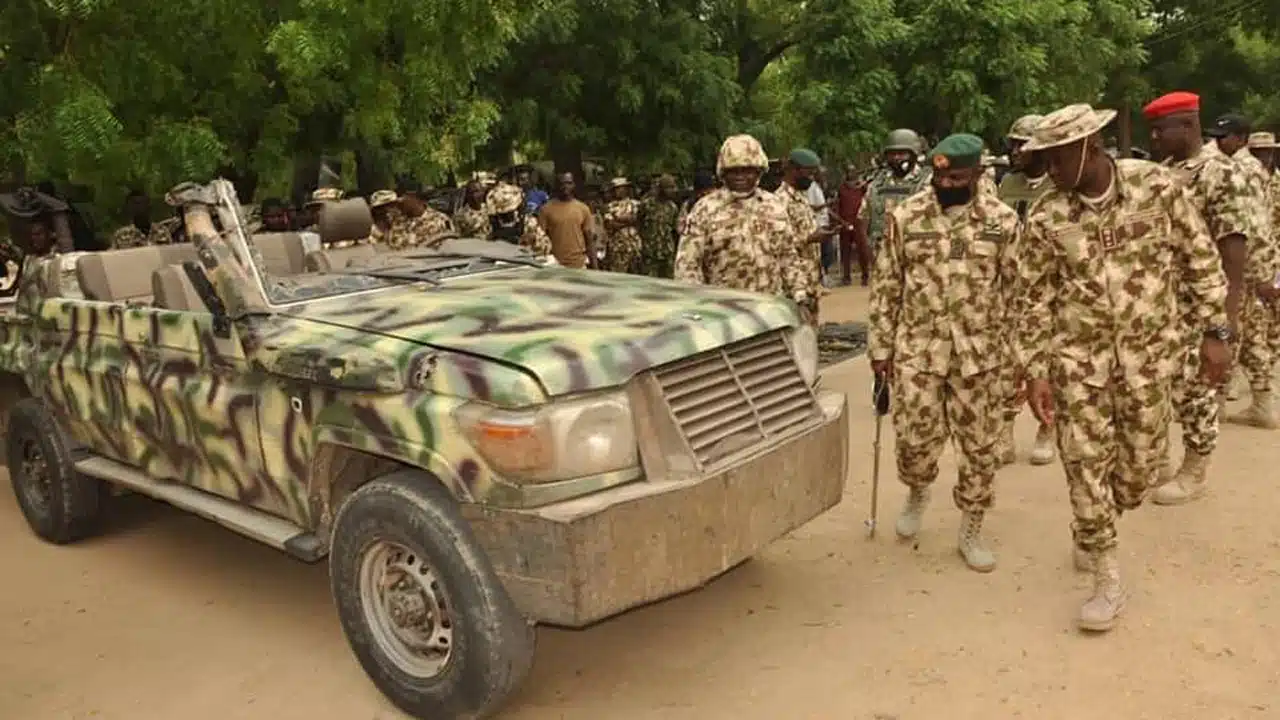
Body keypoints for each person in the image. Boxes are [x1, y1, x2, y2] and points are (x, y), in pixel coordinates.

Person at [1016, 103, 1229, 632]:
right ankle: (1105, 574)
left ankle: (1100, 518)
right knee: (1084, 462)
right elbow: (1032, 299)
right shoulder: (1046, 216)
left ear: (1088, 145)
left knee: (1137, 472)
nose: (1048, 167)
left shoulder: (1158, 189)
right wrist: (1036, 370)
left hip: (1151, 359)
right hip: (1078, 363)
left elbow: (1199, 258)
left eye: (1055, 156)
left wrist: (1215, 332)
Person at [868, 133, 1019, 574]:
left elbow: (1017, 292)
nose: (946, 182)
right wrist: (880, 347)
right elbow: (886, 285)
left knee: (979, 448)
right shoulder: (907, 216)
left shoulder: (1002, 221)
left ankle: (971, 526)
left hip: (982, 355)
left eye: (957, 175)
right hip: (918, 350)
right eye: (940, 174)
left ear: (976, 174)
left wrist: (1018, 358)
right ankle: (917, 489)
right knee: (913, 440)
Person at [1142, 92, 1258, 506]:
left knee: (1197, 389)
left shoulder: (1221, 174)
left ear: (1189, 126)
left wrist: (1223, 324)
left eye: (1161, 129)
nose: (1154, 137)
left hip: (1201, 303)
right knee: (1161, 384)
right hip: (1163, 302)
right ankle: (1158, 460)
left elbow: (1234, 251)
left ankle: (1195, 469)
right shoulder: (1171, 171)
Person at [674, 134, 810, 311]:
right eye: (733, 170)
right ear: (723, 173)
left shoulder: (773, 206)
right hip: (726, 315)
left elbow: (788, 256)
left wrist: (800, 294)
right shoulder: (705, 210)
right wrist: (699, 310)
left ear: (759, 171)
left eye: (747, 170)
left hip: (771, 310)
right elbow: (687, 267)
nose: (740, 176)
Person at [995, 113, 1057, 468]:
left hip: (1047, 287)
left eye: (1023, 145)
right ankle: (1004, 432)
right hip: (1011, 286)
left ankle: (1047, 428)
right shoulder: (1007, 184)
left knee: (1046, 361)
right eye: (1013, 144)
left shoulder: (1058, 185)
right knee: (1007, 362)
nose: (1015, 151)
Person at [1229, 130, 1280, 428]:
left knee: (1252, 331)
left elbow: (1258, 229)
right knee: (1249, 333)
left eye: (1267, 150)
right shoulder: (1248, 175)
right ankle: (1240, 393)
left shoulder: (1251, 178)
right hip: (1250, 263)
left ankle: (1259, 400)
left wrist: (1267, 272)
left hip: (1259, 263)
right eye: (1257, 150)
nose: (1263, 155)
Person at [858, 129, 932, 261]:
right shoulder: (876, 184)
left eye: (902, 153)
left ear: (914, 154)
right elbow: (863, 218)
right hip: (882, 257)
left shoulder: (928, 182)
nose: (896, 158)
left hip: (917, 257)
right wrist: (866, 249)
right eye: (892, 154)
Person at [777, 148, 828, 325]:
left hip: (811, 278)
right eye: (809, 173)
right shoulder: (780, 201)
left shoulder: (801, 196)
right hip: (795, 282)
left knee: (811, 329)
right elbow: (779, 245)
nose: (812, 178)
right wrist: (809, 239)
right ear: (793, 170)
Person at [538, 172, 599, 269]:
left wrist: (595, 267)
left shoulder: (583, 208)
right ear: (556, 186)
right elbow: (540, 240)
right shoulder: (546, 209)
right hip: (555, 265)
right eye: (562, 183)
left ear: (573, 185)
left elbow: (589, 240)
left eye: (568, 183)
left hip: (579, 263)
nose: (565, 186)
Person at [484, 182, 552, 256]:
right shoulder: (490, 223)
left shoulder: (528, 222)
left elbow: (546, 246)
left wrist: (532, 240)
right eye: (503, 214)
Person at [636, 174, 681, 279]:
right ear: (661, 188)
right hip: (650, 252)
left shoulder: (673, 207)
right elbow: (639, 222)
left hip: (667, 252)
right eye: (669, 188)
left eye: (673, 187)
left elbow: (675, 230)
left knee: (668, 281)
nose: (672, 190)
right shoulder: (647, 204)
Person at [393, 181, 455, 249]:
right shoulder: (399, 223)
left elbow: (449, 249)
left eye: (401, 198)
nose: (398, 202)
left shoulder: (440, 219)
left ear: (412, 197)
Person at [836, 164, 870, 286]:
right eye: (849, 172)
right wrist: (840, 221)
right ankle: (846, 277)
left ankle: (865, 275)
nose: (851, 174)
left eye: (853, 171)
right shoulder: (842, 188)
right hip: (845, 222)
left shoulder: (862, 187)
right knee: (845, 251)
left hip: (858, 222)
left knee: (863, 250)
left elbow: (867, 201)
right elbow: (838, 205)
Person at [112, 189, 179, 249]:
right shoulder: (121, 235)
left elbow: (170, 254)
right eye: (135, 204)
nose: (139, 208)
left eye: (142, 203)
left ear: (149, 207)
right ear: (129, 209)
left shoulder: (162, 231)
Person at [602, 177, 642, 273]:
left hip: (634, 246)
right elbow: (610, 225)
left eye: (622, 188)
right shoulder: (609, 206)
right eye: (617, 188)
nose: (620, 190)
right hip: (617, 247)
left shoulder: (635, 204)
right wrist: (627, 222)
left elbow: (637, 220)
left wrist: (619, 218)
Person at [678, 169, 716, 237]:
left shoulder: (719, 203)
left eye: (709, 192)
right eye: (702, 193)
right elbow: (681, 229)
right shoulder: (689, 205)